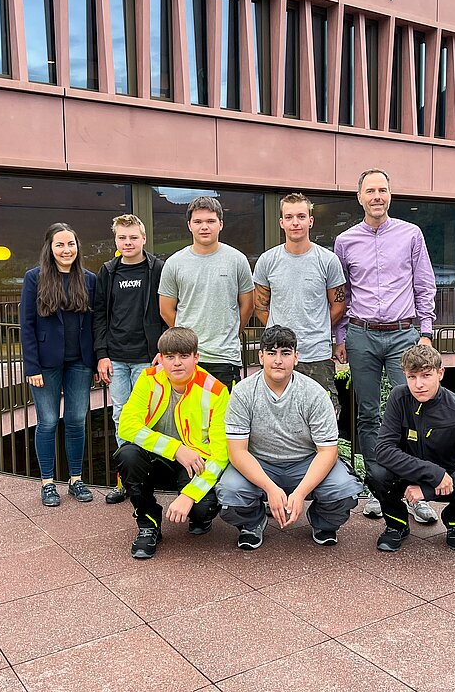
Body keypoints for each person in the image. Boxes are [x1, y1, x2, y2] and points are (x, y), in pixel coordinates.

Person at [334, 168, 439, 526]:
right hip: (362, 334)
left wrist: (425, 332)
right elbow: (342, 293)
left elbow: (424, 283)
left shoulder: (411, 234)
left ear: (390, 195)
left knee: (411, 412)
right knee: (367, 414)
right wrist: (341, 337)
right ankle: (381, 489)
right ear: (359, 197)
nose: (377, 196)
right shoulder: (345, 241)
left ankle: (414, 489)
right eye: (370, 191)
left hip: (404, 335)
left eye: (382, 190)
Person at [217, 326, 362, 549]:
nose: (278, 360)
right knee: (230, 491)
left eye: (285, 353)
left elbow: (327, 451)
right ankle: (252, 523)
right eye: (271, 353)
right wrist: (270, 488)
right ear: (261, 356)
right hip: (260, 462)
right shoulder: (243, 392)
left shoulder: (313, 393)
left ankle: (323, 523)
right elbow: (237, 452)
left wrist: (301, 492)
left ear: (296, 358)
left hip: (305, 461)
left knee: (343, 488)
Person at [370, 344, 455, 552]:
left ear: (440, 373)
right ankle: (397, 525)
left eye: (426, 376)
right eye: (412, 377)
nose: (418, 384)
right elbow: (384, 450)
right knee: (377, 473)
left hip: (449, 482)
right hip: (413, 475)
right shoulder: (399, 398)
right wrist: (432, 473)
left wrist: (432, 487)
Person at [117, 327, 229, 559]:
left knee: (201, 508)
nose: (177, 363)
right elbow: (127, 426)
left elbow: (221, 455)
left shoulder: (216, 391)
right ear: (161, 358)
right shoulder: (148, 380)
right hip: (158, 460)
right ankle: (148, 524)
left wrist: (190, 495)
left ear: (196, 357)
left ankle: (202, 514)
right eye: (170, 357)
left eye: (184, 356)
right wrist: (176, 448)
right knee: (127, 454)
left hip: (195, 465)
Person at [20, 222, 97, 508]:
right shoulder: (34, 278)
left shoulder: (89, 279)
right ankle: (48, 483)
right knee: (48, 421)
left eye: (71, 244)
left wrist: (97, 358)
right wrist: (32, 367)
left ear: (78, 247)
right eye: (60, 245)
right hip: (45, 364)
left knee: (76, 420)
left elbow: (95, 322)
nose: (67, 250)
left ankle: (76, 479)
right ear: (50, 248)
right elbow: (26, 325)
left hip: (80, 363)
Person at [93, 214, 166, 505]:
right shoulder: (108, 271)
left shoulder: (158, 269)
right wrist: (101, 354)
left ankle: (152, 478)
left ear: (144, 239)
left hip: (149, 358)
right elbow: (98, 315)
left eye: (133, 237)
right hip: (117, 358)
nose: (128, 243)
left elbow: (167, 310)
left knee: (151, 418)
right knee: (121, 417)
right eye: (122, 238)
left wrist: (163, 349)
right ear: (115, 240)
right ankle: (127, 481)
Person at [253, 193, 345, 411]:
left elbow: (339, 304)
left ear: (310, 221)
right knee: (277, 416)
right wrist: (279, 331)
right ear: (281, 222)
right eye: (290, 217)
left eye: (301, 216)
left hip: (317, 355)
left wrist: (317, 326)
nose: (296, 222)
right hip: (278, 355)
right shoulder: (267, 261)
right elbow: (260, 306)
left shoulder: (328, 261)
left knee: (324, 416)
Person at [158, 196, 254, 389]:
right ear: (189, 225)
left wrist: (230, 333)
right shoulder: (175, 263)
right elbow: (166, 310)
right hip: (187, 358)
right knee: (187, 417)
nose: (204, 227)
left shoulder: (237, 260)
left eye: (210, 221)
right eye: (198, 222)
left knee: (223, 418)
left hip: (225, 358)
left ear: (221, 224)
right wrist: (185, 341)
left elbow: (248, 305)